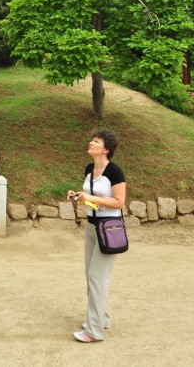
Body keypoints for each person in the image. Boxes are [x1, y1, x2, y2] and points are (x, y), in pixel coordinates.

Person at [67, 127, 126, 343]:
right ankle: (102, 319)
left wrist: (91, 197)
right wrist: (80, 198)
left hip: (109, 229)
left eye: (96, 142)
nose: (91, 143)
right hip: (91, 227)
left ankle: (94, 331)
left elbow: (119, 203)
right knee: (91, 275)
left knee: (96, 276)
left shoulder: (115, 172)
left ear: (106, 149)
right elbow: (94, 201)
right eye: (92, 140)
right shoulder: (89, 169)